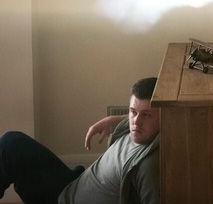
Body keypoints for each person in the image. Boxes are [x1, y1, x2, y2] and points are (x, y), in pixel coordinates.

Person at [0, 77, 160, 204]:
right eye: (133, 112)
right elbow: (138, 117)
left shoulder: (149, 166)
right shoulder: (141, 128)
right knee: (13, 141)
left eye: (146, 115)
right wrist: (113, 119)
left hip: (63, 200)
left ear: (164, 118)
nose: (136, 121)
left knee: (9, 148)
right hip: (74, 184)